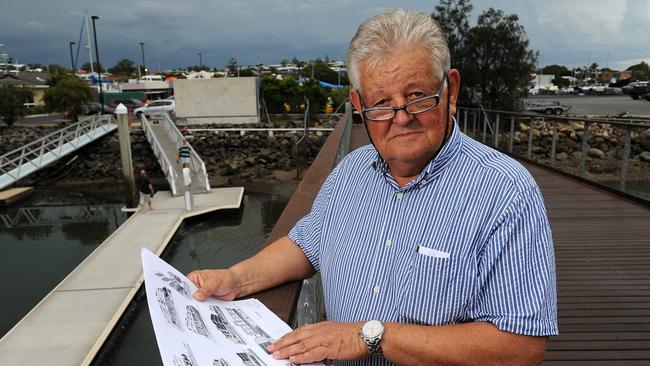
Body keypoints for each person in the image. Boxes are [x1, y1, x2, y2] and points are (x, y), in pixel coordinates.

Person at [188, 9, 557, 365]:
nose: (401, 118)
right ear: (358, 106)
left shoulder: (506, 192)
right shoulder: (349, 172)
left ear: (451, 90)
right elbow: (304, 247)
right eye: (381, 103)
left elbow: (521, 347)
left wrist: (370, 337)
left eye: (417, 96)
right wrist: (235, 278)